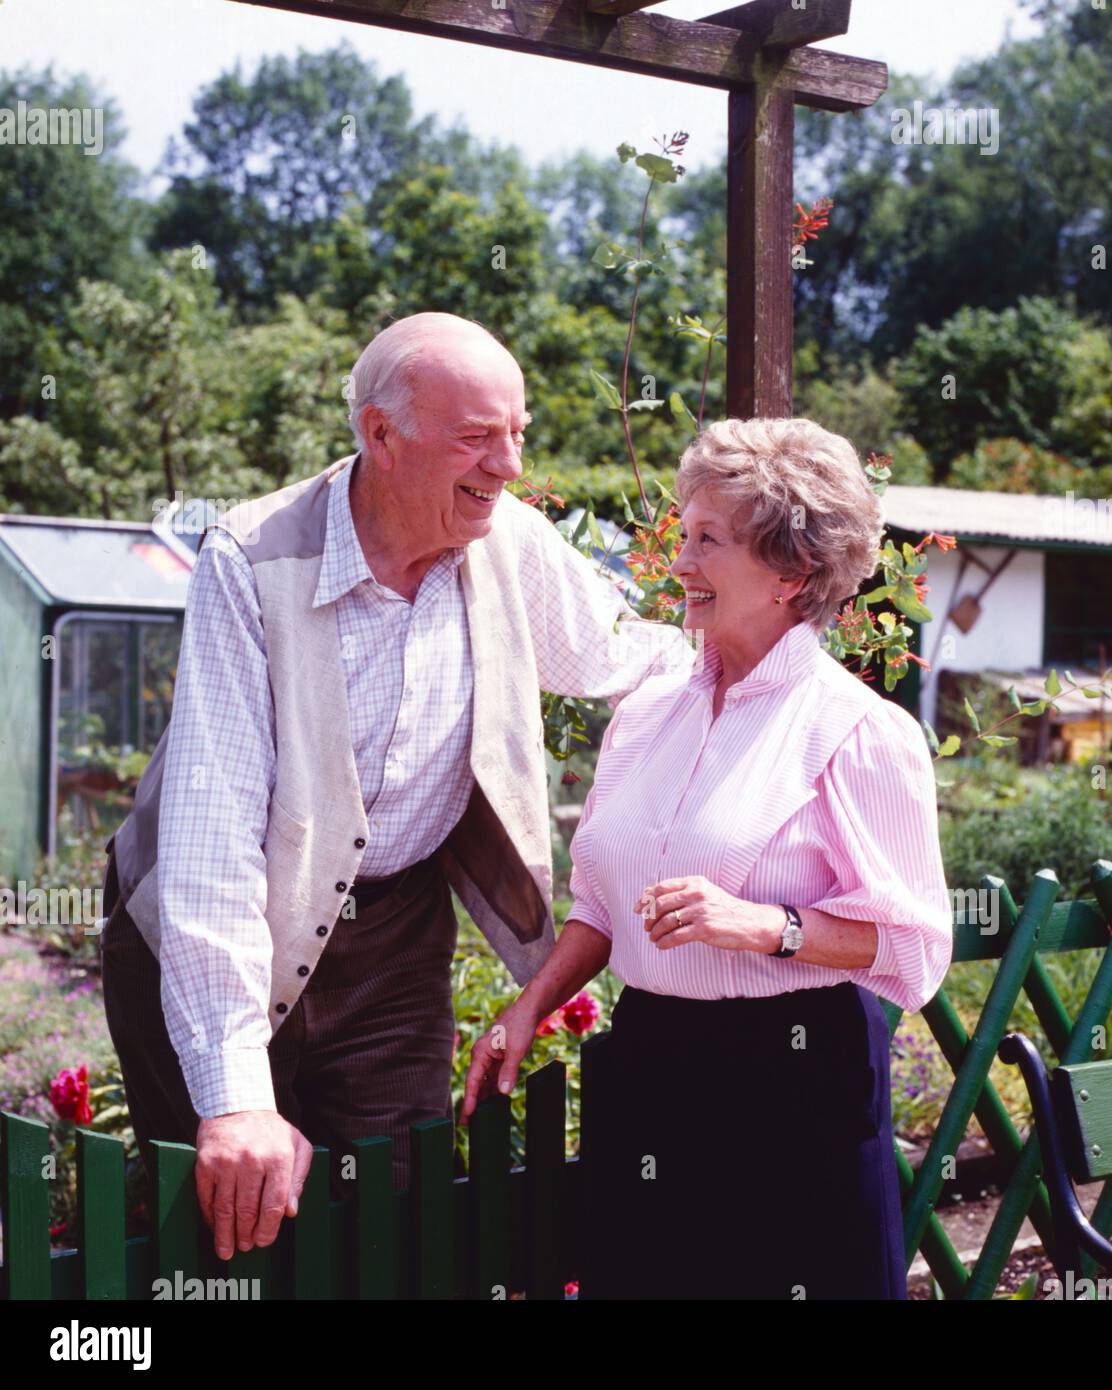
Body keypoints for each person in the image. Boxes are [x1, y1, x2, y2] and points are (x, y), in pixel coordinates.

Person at [99, 312, 693, 1264]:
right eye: (474, 437)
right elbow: (208, 848)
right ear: (378, 435)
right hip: (213, 919)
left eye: (517, 434)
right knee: (229, 1226)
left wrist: (778, 666)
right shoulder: (251, 562)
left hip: (393, 937)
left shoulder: (510, 542)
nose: (507, 465)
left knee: (388, 1215)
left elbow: (637, 660)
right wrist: (236, 1095)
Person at [462, 416, 952, 1299]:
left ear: (791, 574)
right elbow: (604, 910)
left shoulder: (860, 732)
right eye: (683, 536)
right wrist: (531, 1004)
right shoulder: (646, 715)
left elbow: (913, 947)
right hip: (651, 1066)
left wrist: (765, 926)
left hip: (794, 1086)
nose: (678, 564)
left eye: (707, 542)